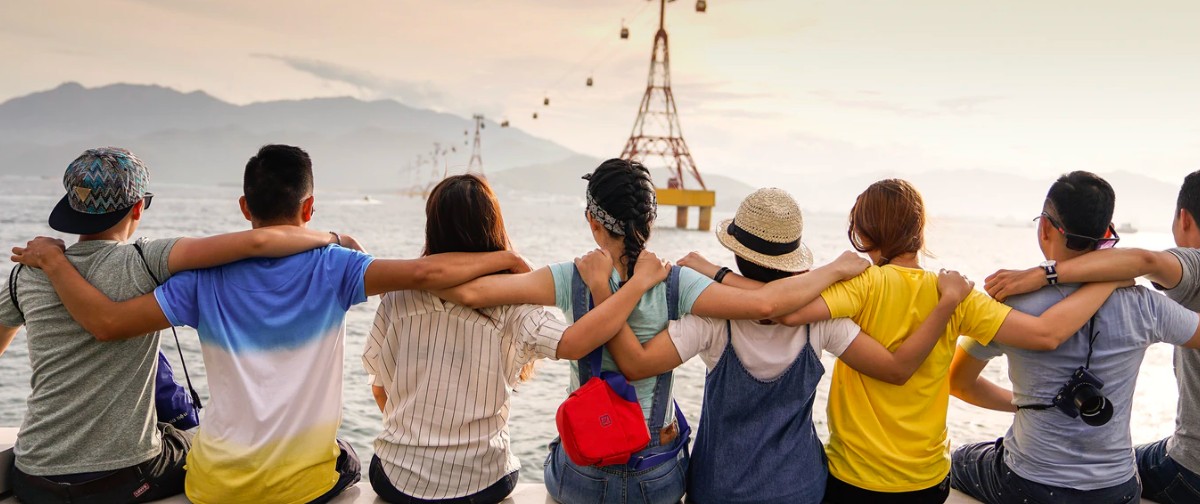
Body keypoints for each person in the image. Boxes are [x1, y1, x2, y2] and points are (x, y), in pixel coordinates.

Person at [10, 145, 533, 504]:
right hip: (301, 489)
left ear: (244, 207)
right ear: (309, 206)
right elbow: (427, 272)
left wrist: (56, 266)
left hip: (212, 486)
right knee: (346, 456)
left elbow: (111, 321)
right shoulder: (339, 267)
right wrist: (510, 260)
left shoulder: (200, 277)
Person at [436, 160, 871, 504]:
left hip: (585, 475)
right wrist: (833, 269)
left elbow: (470, 292)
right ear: (651, 219)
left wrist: (508, 259)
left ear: (592, 221)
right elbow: (766, 303)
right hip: (657, 476)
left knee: (559, 450)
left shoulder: (571, 275)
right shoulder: (678, 283)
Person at [686, 178, 1125, 503]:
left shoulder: (861, 286)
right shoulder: (957, 295)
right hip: (927, 480)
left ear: (866, 234)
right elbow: (1045, 334)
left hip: (855, 478)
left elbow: (778, 308)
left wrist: (712, 273)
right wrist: (1111, 275)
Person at [592, 187, 978, 504]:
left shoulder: (713, 320)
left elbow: (636, 364)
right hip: (801, 488)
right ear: (794, 259)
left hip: (719, 489)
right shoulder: (824, 322)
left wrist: (603, 292)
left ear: (738, 254)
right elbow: (895, 369)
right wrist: (945, 303)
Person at [0, 147, 342, 504]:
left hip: (33, 478)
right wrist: (334, 239)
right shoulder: (146, 261)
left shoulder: (26, 273)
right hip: (119, 482)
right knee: (197, 443)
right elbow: (258, 242)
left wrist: (53, 260)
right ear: (137, 208)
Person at [947, 170, 1200, 504]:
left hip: (1031, 485)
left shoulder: (1008, 304)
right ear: (1107, 235)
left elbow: (957, 381)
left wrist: (1025, 406)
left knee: (957, 461)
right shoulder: (1146, 305)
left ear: (1044, 227)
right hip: (1118, 490)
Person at [362, 175, 673, 504]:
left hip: (397, 479)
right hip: (484, 481)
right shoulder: (514, 305)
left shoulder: (397, 297)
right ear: (493, 227)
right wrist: (635, 285)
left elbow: (380, 388)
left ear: (432, 228)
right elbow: (575, 342)